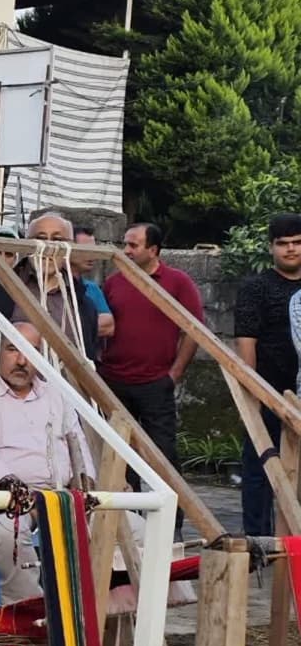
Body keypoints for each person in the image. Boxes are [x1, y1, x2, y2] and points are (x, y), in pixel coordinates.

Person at [0, 322, 96, 605]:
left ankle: (105, 611)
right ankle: (27, 613)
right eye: (12, 349)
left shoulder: (57, 395)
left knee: (133, 527)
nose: (21, 360)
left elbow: (79, 447)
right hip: (4, 499)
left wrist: (84, 485)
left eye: (31, 351)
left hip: (63, 495)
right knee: (9, 532)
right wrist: (30, 498)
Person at [100, 222, 203, 534]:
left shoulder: (177, 282)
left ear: (153, 250)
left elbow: (194, 329)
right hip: (114, 381)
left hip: (155, 382)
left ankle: (170, 527)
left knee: (163, 455)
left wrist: (175, 373)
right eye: (125, 244)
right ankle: (129, 525)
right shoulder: (113, 282)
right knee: (120, 457)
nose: (126, 250)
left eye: (133, 245)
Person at [0, 213, 99, 404]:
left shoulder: (83, 305)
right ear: (26, 244)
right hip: (0, 411)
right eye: (39, 239)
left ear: (69, 247)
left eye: (57, 239)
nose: (47, 247)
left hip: (64, 415)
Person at [240, 212, 301, 535]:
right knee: (259, 468)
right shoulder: (256, 287)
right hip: (268, 392)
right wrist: (254, 394)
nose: (290, 249)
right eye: (283, 244)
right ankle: (259, 542)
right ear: (271, 247)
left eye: (296, 243)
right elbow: (246, 341)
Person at [71, 226, 115, 339]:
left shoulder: (91, 288)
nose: (92, 256)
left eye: (94, 250)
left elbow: (109, 325)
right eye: (85, 250)